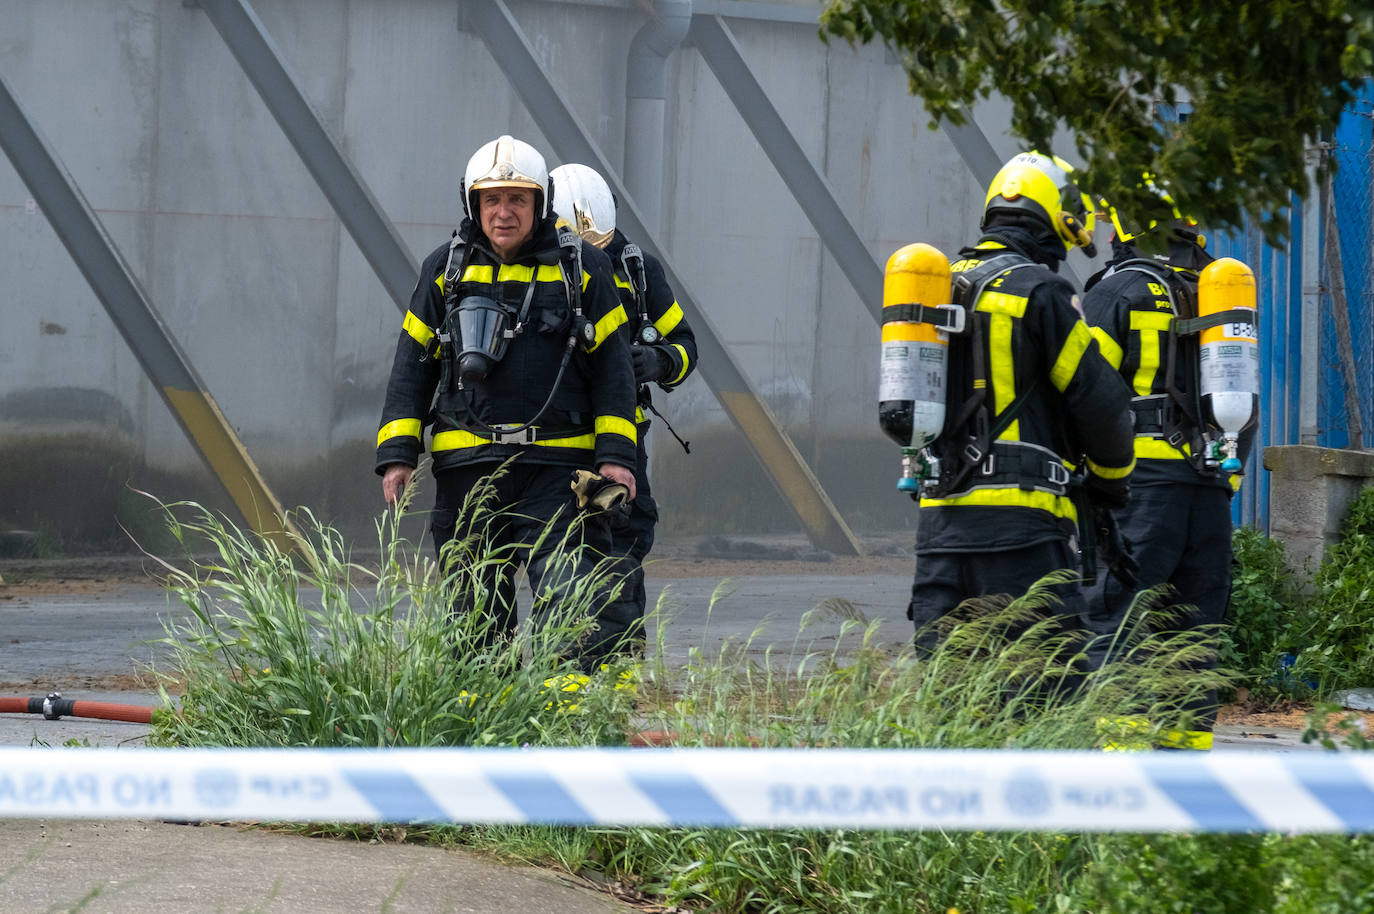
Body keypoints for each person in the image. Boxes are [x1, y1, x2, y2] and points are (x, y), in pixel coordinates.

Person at [375, 135, 640, 670]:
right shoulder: (443, 271)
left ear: (540, 202)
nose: (503, 212)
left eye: (517, 199)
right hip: (467, 471)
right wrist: (398, 453)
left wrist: (616, 457)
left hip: (564, 472)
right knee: (473, 615)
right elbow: (412, 366)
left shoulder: (583, 268)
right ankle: (484, 724)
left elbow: (615, 371)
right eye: (491, 199)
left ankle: (565, 724)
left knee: (570, 599)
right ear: (472, 202)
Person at [906, 151, 1136, 662]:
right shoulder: (1042, 291)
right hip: (1023, 537)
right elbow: (1103, 405)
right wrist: (1110, 485)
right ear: (1056, 217)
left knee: (950, 705)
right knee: (1043, 697)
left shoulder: (933, 286)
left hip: (939, 535)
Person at [1080, 193, 1253, 749]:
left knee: (1117, 619)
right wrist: (1228, 478)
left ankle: (1122, 776)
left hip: (1140, 489)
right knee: (1192, 632)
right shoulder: (1220, 288)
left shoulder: (1118, 290)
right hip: (1208, 486)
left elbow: (1091, 395)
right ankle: (1185, 775)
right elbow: (1241, 402)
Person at [548, 163, 698, 633]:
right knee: (554, 554)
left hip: (620, 440)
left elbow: (686, 345)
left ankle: (616, 665)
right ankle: (558, 670)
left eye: (602, 245)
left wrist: (658, 362)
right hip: (557, 439)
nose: (594, 255)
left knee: (619, 550)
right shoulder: (536, 268)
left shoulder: (638, 268)